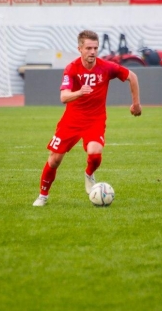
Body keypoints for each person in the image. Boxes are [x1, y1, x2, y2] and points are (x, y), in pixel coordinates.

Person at [33, 30, 142, 207]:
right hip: (72, 120)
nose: (92, 52)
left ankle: (89, 174)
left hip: (95, 120)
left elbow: (132, 76)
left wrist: (136, 104)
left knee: (95, 154)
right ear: (80, 49)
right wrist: (79, 92)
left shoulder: (107, 67)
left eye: (95, 48)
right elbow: (63, 97)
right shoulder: (72, 68)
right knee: (54, 160)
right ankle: (43, 195)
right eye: (89, 48)